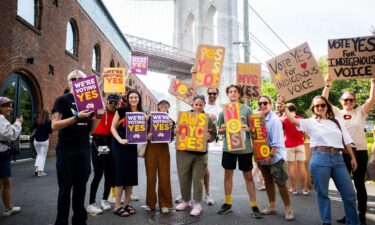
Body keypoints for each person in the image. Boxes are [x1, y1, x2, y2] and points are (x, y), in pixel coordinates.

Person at [281, 95, 359, 225]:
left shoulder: (337, 121)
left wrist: (352, 157)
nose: (320, 107)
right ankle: (326, 222)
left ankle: (353, 222)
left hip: (338, 159)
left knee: (350, 194)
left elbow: (346, 140)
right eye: (316, 106)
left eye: (322, 105)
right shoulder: (310, 122)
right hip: (319, 159)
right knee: (323, 194)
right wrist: (284, 107)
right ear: (313, 108)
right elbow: (293, 120)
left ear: (327, 106)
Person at [323, 77, 375, 225]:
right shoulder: (337, 112)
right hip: (343, 153)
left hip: (360, 152)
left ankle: (362, 216)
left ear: (354, 101)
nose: (349, 102)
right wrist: (327, 84)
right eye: (346, 100)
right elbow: (324, 101)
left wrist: (373, 82)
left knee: (359, 185)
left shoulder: (360, 112)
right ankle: (349, 215)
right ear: (341, 101)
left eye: (351, 100)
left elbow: (372, 99)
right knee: (345, 187)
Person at [51, 70, 93, 225]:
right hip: (66, 150)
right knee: (65, 189)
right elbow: (54, 125)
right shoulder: (62, 100)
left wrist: (99, 115)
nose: (76, 81)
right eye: (73, 79)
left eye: (80, 79)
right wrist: (76, 117)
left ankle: (79, 220)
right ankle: (61, 221)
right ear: (69, 83)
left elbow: (93, 128)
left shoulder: (90, 101)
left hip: (84, 150)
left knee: (81, 188)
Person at [216, 84, 262, 218]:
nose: (233, 93)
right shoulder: (223, 111)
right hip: (228, 148)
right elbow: (219, 130)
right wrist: (222, 129)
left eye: (235, 91)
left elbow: (254, 130)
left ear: (239, 94)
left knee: (248, 177)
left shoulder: (247, 110)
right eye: (230, 92)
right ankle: (228, 203)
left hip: (245, 148)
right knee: (227, 175)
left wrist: (247, 128)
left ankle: (254, 205)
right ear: (228, 95)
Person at [175, 95, 217, 216]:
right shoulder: (184, 117)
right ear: (192, 105)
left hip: (200, 154)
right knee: (183, 177)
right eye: (196, 104)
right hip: (184, 152)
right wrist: (176, 131)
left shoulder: (207, 119)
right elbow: (176, 130)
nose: (198, 107)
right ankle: (186, 201)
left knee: (198, 179)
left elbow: (214, 134)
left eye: (201, 105)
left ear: (204, 105)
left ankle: (197, 204)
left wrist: (210, 138)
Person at [256, 95, 294, 221]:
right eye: (260, 103)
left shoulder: (275, 120)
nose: (262, 105)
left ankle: (288, 209)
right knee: (267, 181)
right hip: (262, 155)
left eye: (265, 103)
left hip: (275, 156)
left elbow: (277, 142)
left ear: (270, 104)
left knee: (280, 182)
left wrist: (270, 156)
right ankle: (272, 206)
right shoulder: (257, 117)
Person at [111, 89, 143, 217]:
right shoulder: (121, 111)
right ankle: (117, 206)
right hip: (119, 145)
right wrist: (119, 140)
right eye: (131, 97)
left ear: (139, 99)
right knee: (121, 175)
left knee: (131, 175)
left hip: (131, 146)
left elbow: (142, 133)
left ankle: (127, 204)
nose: (133, 99)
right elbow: (112, 127)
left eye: (135, 97)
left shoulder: (141, 113)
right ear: (127, 99)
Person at [86, 94, 119, 215]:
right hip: (99, 141)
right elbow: (95, 122)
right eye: (111, 102)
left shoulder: (117, 113)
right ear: (107, 102)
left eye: (116, 103)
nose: (113, 105)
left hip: (110, 141)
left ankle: (104, 200)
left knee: (110, 174)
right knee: (99, 173)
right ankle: (91, 203)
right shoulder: (100, 110)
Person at [144, 100, 174, 213]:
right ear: (157, 107)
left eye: (166, 105)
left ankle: (165, 204)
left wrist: (171, 128)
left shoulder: (171, 121)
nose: (163, 106)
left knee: (164, 177)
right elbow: (142, 134)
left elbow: (170, 139)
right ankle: (150, 203)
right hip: (151, 148)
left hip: (163, 150)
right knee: (151, 177)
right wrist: (147, 134)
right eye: (161, 105)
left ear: (168, 107)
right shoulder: (149, 118)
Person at [0, 96, 23, 216]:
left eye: (10, 105)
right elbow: (9, 134)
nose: (10, 108)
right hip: (1, 155)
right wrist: (18, 123)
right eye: (6, 105)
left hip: (3, 155)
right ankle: (9, 208)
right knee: (3, 183)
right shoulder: (0, 119)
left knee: (7, 182)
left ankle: (9, 208)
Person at [280, 103, 309, 195]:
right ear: (295, 109)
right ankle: (305, 189)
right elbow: (306, 134)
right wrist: (303, 138)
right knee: (302, 166)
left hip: (288, 145)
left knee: (291, 166)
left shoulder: (284, 120)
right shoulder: (301, 119)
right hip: (300, 144)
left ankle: (294, 188)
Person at [203, 88, 222, 206]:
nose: (212, 95)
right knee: (188, 168)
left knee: (204, 168)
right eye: (210, 93)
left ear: (217, 95)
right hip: (191, 141)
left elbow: (219, 129)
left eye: (214, 93)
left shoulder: (220, 110)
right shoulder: (201, 105)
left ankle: (207, 193)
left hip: (204, 142)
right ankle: (185, 194)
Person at [31, 109, 52, 177]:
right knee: (42, 156)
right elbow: (50, 131)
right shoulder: (48, 122)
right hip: (44, 141)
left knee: (39, 154)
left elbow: (32, 129)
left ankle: (37, 170)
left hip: (36, 141)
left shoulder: (37, 121)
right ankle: (40, 171)